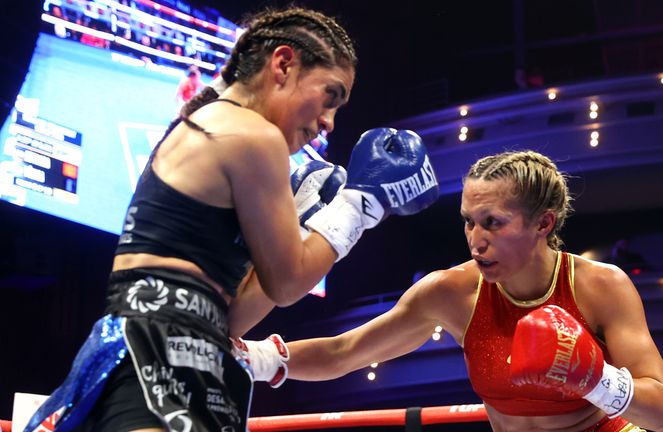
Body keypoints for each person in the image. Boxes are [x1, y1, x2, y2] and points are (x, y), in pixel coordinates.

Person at [23, 7, 439, 432]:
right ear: (283, 64)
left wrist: (300, 231)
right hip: (158, 354)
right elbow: (290, 282)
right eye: (330, 96)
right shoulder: (250, 136)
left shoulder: (207, 126)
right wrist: (359, 206)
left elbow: (230, 317)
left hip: (174, 351)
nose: (328, 121)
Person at [285, 150, 663, 432]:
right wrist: (256, 358)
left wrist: (596, 380)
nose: (476, 241)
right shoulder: (450, 292)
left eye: (492, 222)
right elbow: (342, 353)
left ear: (543, 223)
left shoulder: (600, 286)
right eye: (468, 222)